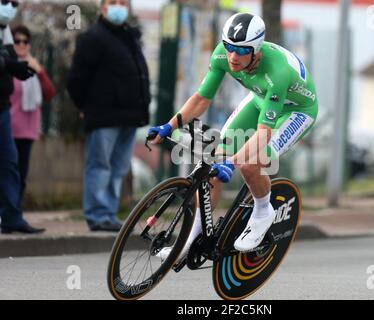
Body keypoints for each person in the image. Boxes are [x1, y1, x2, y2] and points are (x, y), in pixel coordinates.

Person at [149, 13, 318, 257]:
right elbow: (201, 99)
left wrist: (233, 162)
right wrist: (169, 126)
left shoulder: (277, 72)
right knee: (213, 164)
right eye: (228, 47)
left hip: (296, 111)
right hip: (261, 100)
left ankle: (263, 211)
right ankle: (191, 239)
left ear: (256, 51)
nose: (232, 56)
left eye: (240, 51)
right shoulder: (222, 54)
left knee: (250, 163)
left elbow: (263, 135)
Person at [67, 0, 151, 232]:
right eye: (113, 2)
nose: (118, 7)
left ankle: (109, 214)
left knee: (118, 167)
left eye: (122, 2)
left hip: (129, 116)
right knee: (100, 165)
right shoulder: (93, 38)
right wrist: (83, 106)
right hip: (104, 116)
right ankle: (97, 215)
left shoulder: (128, 36)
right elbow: (76, 79)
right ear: (103, 7)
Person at [0, 0, 45, 234]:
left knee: (10, 165)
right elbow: (7, 63)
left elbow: (48, 92)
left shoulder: (4, 30)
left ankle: (11, 218)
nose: (9, 7)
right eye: (5, 2)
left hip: (2, 108)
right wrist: (10, 65)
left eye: (13, 3)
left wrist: (14, 67)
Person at [10, 25, 56, 201]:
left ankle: (15, 213)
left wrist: (40, 71)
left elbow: (49, 93)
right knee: (8, 174)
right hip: (9, 129)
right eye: (17, 41)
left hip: (28, 131)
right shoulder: (8, 66)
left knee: (21, 175)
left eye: (25, 41)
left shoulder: (34, 65)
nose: (21, 45)